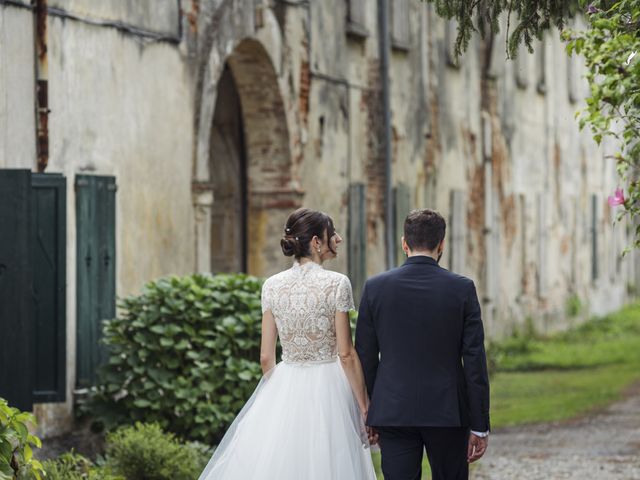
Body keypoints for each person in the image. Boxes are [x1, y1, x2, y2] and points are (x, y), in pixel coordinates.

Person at [199, 208, 377, 480]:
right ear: (317, 242)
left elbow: (266, 358)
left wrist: (279, 396)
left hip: (285, 381)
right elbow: (345, 353)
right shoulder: (337, 284)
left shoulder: (271, 285)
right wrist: (364, 405)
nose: (338, 239)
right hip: (330, 384)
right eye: (333, 234)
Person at [355, 208, 490, 480]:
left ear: (405, 243)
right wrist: (480, 425)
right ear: (442, 244)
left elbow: (365, 357)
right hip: (448, 410)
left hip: (393, 409)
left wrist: (370, 410)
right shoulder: (462, 288)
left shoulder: (375, 287)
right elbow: (474, 360)